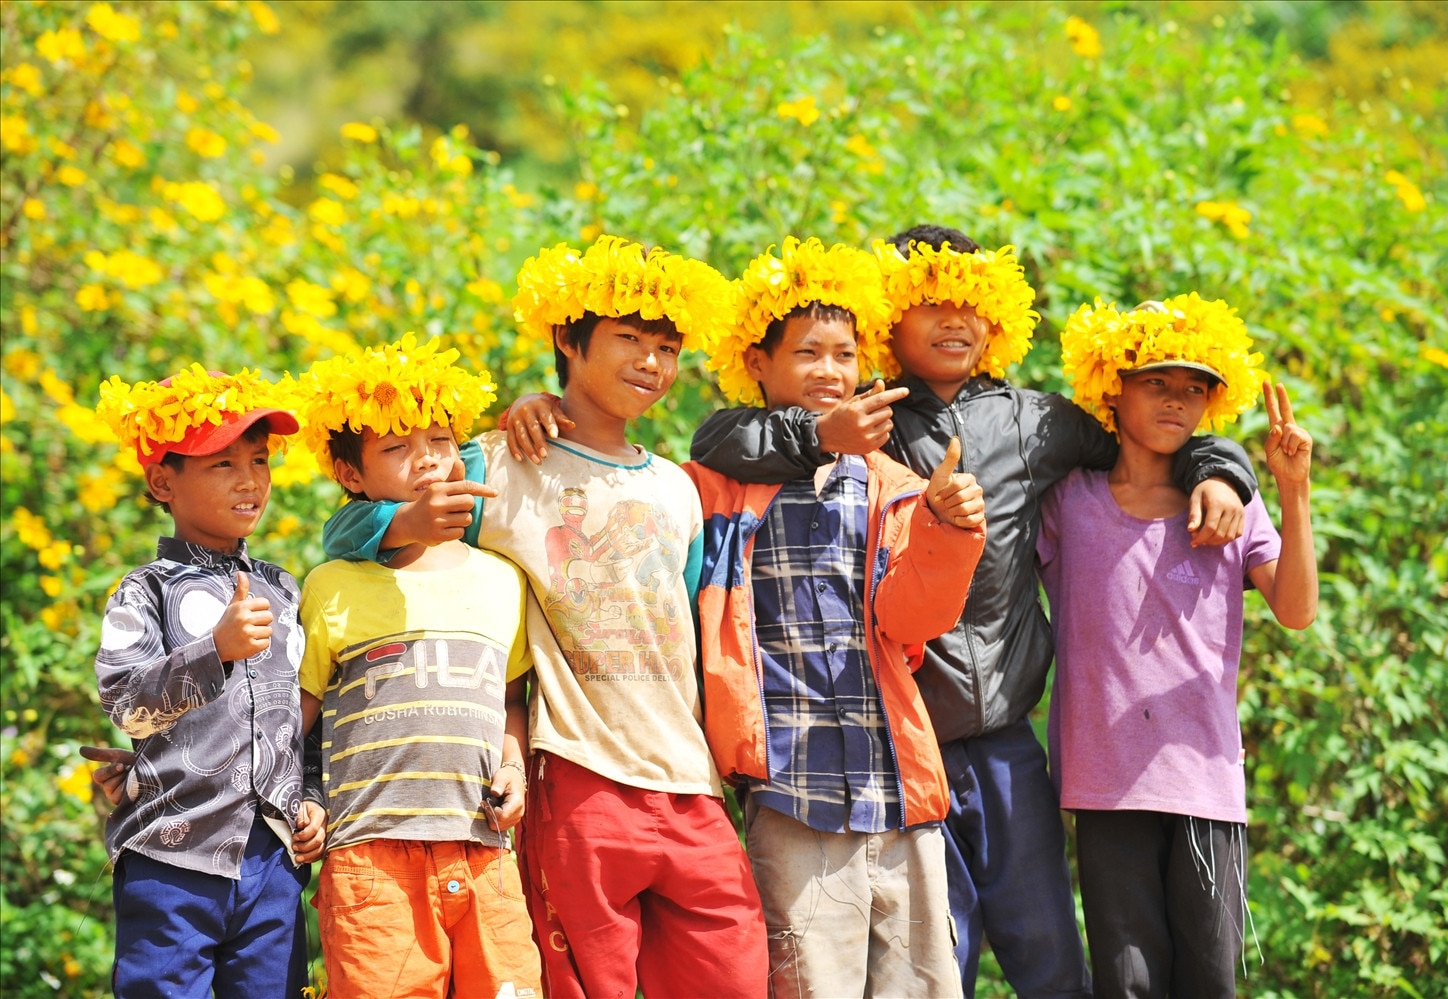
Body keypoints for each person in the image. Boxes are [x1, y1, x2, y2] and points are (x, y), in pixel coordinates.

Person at [688, 225, 1260, 998]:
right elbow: (724, 434)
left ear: (997, 316)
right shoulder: (862, 412)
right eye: (932, 303)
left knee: (1051, 957)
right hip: (899, 745)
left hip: (1004, 745)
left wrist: (1222, 466)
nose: (956, 319)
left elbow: (1147, 435)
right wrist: (824, 431)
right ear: (891, 320)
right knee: (932, 968)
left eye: (972, 302)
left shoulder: (1034, 421)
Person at [320, 236, 769, 999]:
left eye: (666, 345)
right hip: (576, 773)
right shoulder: (496, 461)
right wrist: (418, 512)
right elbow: (353, 529)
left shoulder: (677, 488)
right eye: (628, 338)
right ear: (567, 337)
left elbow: (684, 629)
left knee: (733, 974)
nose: (651, 362)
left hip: (687, 777)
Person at [684, 237, 984, 997]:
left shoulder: (893, 484)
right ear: (758, 362)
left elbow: (912, 620)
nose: (830, 371)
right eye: (808, 352)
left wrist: (948, 532)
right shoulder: (721, 480)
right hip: (791, 788)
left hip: (894, 784)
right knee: (810, 983)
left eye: (844, 354)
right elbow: (711, 437)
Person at [1041, 296, 1317, 998]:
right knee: (1126, 980)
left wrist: (1293, 491)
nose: (1176, 400)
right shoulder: (1070, 501)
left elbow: (1296, 609)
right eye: (1156, 382)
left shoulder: (1233, 504)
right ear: (1114, 388)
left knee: (1208, 981)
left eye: (1194, 388)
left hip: (1203, 782)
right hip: (1104, 785)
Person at [290, 334, 543, 999]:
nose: (426, 460)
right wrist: (297, 798)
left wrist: (513, 768)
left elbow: (510, 699)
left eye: (438, 440)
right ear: (351, 476)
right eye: (396, 448)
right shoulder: (331, 584)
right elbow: (295, 718)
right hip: (370, 858)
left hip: (484, 849)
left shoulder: (501, 579)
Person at [91, 366, 324, 999]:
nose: (251, 480)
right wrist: (213, 652)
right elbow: (124, 704)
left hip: (272, 859)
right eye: (223, 464)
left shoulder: (284, 588)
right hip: (172, 855)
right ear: (163, 480)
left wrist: (315, 798)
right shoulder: (144, 591)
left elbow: (304, 714)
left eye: (259, 459)